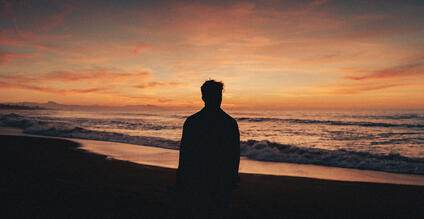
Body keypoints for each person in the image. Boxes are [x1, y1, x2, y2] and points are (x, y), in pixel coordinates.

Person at [176, 80, 240, 219]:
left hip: (202, 175)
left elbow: (185, 152)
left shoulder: (193, 121)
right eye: (215, 95)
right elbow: (234, 154)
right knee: (215, 210)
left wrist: (181, 176)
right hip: (214, 176)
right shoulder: (229, 122)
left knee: (201, 209)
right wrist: (233, 175)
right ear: (204, 97)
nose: (218, 98)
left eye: (218, 95)